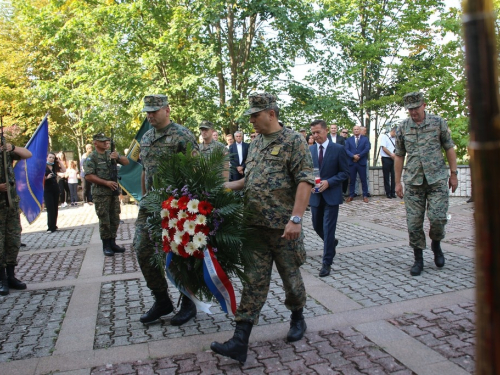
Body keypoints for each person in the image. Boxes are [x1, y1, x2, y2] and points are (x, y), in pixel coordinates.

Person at [210, 92, 314, 363]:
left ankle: (298, 316)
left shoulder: (294, 141)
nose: (252, 121)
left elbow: (305, 181)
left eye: (255, 115)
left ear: (271, 113)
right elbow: (250, 181)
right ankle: (240, 340)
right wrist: (225, 186)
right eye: (251, 115)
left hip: (283, 228)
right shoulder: (255, 145)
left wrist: (296, 219)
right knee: (253, 281)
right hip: (254, 226)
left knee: (291, 279)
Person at [133, 94, 200, 325]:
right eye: (147, 112)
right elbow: (145, 169)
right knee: (141, 248)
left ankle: (188, 303)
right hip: (151, 205)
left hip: (176, 206)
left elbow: (195, 171)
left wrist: (189, 207)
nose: (150, 115)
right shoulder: (147, 137)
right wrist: (143, 197)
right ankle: (161, 299)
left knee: (180, 255)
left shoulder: (183, 135)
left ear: (167, 110)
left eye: (154, 110)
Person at [395, 92, 458, 276]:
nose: (413, 112)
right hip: (413, 182)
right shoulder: (402, 127)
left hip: (437, 179)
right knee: (414, 224)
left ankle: (436, 244)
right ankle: (418, 259)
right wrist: (397, 182)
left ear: (424, 105)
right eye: (410, 109)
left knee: (438, 218)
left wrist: (453, 174)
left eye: (416, 107)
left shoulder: (438, 122)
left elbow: (449, 148)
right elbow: (399, 155)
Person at [309, 120, 349, 277]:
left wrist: (329, 182)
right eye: (313, 133)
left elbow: (345, 173)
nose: (315, 135)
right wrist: (309, 183)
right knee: (316, 225)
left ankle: (327, 262)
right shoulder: (310, 150)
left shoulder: (338, 149)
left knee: (328, 228)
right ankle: (331, 243)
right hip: (315, 195)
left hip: (331, 195)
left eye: (318, 132)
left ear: (326, 131)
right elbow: (306, 172)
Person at [84, 133, 129, 257]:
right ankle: (106, 245)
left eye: (107, 141)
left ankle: (113, 242)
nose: (106, 143)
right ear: (95, 143)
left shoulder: (111, 154)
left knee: (115, 218)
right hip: (101, 193)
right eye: (102, 141)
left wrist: (118, 157)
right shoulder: (92, 157)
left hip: (113, 192)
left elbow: (126, 162)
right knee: (104, 219)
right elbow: (88, 176)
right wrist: (106, 183)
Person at [0, 141, 32, 295]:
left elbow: (27, 154)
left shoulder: (5, 150)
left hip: (11, 204)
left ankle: (11, 275)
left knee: (13, 241)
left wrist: (12, 148)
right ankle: (2, 279)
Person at [345, 125, 371, 203]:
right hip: (352, 162)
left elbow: (367, 148)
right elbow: (346, 149)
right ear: (353, 130)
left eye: (357, 129)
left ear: (360, 130)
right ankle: (351, 195)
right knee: (352, 180)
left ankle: (365, 195)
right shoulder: (349, 140)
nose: (356, 130)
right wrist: (353, 156)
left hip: (361, 162)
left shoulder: (365, 139)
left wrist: (359, 156)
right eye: (355, 129)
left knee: (363, 180)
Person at [44, 152, 66, 233]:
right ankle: (50, 227)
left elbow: (64, 170)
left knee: (55, 207)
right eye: (50, 157)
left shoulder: (54, 166)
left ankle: (54, 225)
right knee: (50, 208)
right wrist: (46, 177)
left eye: (53, 158)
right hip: (47, 189)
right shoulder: (43, 167)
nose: (51, 159)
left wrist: (59, 161)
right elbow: (38, 178)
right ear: (46, 157)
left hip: (55, 188)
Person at [380, 126, 397, 199]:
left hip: (394, 158)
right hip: (386, 158)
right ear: (393, 131)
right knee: (386, 176)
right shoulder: (384, 136)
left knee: (394, 176)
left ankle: (393, 192)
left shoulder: (397, 138)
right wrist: (391, 154)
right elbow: (384, 148)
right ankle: (388, 193)